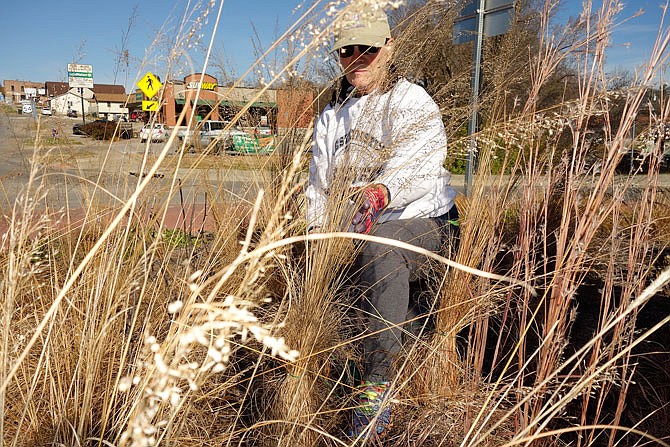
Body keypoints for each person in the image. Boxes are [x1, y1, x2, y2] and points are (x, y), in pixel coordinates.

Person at [305, 9, 460, 441]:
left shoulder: (412, 101)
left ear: (388, 48)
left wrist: (381, 191)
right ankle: (405, 334)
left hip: (423, 222)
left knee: (382, 247)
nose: (357, 59)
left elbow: (421, 166)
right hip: (358, 229)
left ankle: (377, 385)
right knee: (343, 291)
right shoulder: (331, 117)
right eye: (346, 51)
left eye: (368, 49)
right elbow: (318, 189)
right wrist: (318, 242)